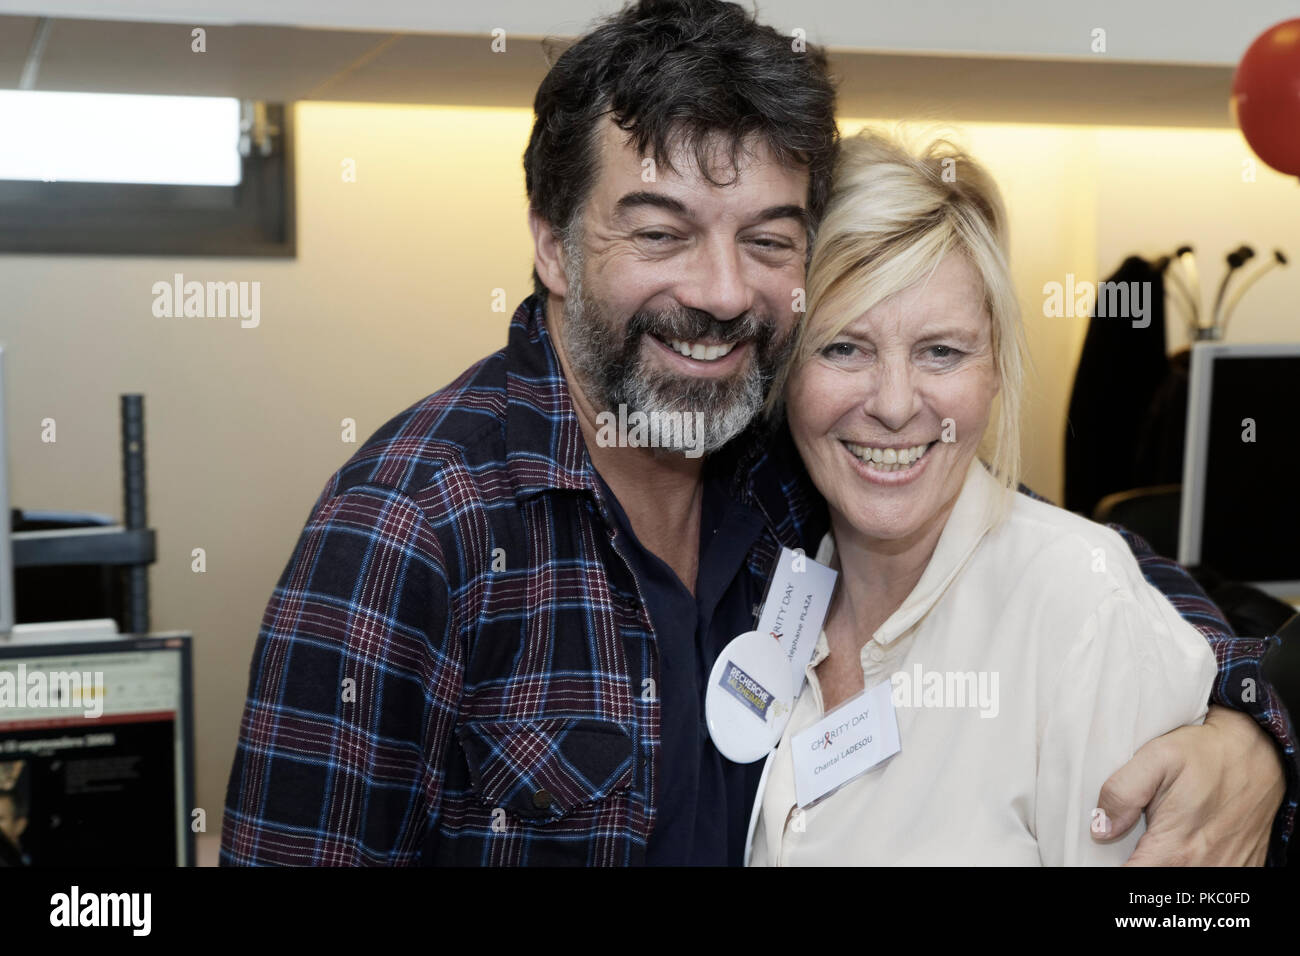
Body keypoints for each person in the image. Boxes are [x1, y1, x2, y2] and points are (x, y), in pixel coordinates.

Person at [220, 0, 1294, 866]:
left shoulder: (774, 466)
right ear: (553, 242)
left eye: (768, 238)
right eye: (660, 231)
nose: (722, 292)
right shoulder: (413, 529)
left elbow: (1091, 579)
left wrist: (1256, 727)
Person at [748, 129, 1217, 864]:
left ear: (994, 366)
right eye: (844, 346)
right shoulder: (767, 588)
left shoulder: (1080, 608)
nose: (897, 405)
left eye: (941, 351)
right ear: (784, 374)